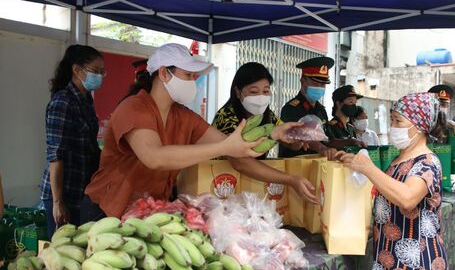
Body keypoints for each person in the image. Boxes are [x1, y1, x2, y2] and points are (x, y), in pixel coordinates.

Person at [82, 43, 310, 221]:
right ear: (163, 74)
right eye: (188, 76)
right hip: (106, 212)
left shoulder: (183, 116)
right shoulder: (134, 108)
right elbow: (154, 157)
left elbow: (238, 152)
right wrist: (224, 147)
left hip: (148, 213)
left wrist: (274, 135)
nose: (193, 81)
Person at [338, 92, 449, 270]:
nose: (393, 126)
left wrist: (368, 169)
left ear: (419, 125)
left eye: (399, 121)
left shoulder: (427, 162)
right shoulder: (399, 159)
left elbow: (407, 198)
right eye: (392, 120)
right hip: (395, 267)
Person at [212, 62, 317, 202]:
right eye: (254, 92)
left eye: (266, 91)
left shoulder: (269, 116)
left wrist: (297, 140)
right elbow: (240, 162)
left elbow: (287, 139)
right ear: (238, 92)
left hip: (249, 187)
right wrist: (290, 179)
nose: (261, 97)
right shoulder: (226, 117)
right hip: (220, 187)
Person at [40, 45, 104, 237]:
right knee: (61, 249)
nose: (100, 76)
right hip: (63, 194)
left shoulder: (86, 101)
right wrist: (58, 202)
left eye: (103, 72)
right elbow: (55, 155)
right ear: (77, 70)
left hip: (80, 191)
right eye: (96, 71)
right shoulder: (63, 102)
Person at [279, 57, 338, 159]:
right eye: (316, 83)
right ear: (303, 80)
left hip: (318, 166)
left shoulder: (321, 110)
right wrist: (321, 148)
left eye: (323, 84)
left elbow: (328, 138)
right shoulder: (291, 109)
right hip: (294, 166)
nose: (320, 87)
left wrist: (350, 142)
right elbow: (298, 136)